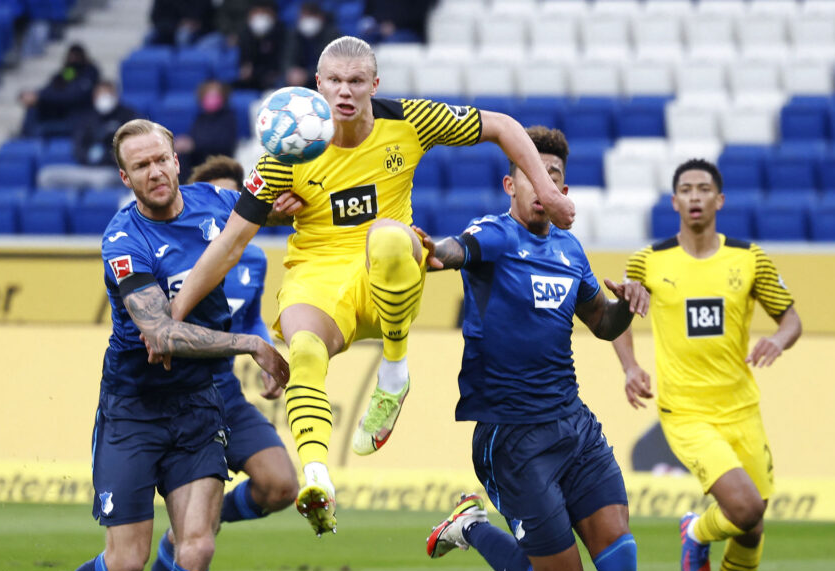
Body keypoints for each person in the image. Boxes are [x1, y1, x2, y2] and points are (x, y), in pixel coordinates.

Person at [161, 35, 575, 539]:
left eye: (356, 81)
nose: (345, 92)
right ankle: (316, 476)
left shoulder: (409, 120)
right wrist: (173, 315)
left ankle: (394, 372)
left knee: (387, 236)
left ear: (374, 85)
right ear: (317, 85)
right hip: (318, 270)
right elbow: (228, 244)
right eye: (334, 81)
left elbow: (504, 127)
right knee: (304, 349)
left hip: (389, 269)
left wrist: (548, 192)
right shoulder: (285, 153)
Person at [0, 119, 289, 571]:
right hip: (133, 410)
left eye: (162, 158)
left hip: (197, 407)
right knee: (126, 558)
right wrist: (249, 346)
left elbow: (268, 206)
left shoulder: (217, 204)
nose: (155, 171)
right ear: (126, 178)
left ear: (177, 160)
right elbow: (160, 333)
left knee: (199, 545)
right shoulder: (123, 240)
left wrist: (288, 191)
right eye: (141, 166)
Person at [422, 126, 679, 571]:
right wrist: (423, 249)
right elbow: (450, 253)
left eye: (555, 177)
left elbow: (602, 321)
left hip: (574, 427)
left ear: (562, 187)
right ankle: (473, 527)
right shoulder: (492, 236)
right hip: (511, 437)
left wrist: (628, 303)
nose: (546, 186)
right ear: (511, 183)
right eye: (533, 174)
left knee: (621, 554)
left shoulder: (570, 250)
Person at [612, 158, 802, 571]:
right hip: (687, 412)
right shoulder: (648, 262)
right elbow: (619, 317)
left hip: (742, 409)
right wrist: (630, 366)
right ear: (674, 203)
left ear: (720, 201)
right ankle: (696, 530)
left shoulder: (750, 259)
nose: (694, 197)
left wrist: (778, 340)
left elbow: (791, 318)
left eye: (704, 189)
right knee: (744, 509)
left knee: (753, 525)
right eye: (685, 190)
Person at [123, 154, 299, 571]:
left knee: (281, 486)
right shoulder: (162, 253)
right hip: (171, 397)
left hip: (223, 387)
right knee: (191, 533)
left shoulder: (255, 260)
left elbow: (248, 326)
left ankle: (198, 521)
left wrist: (266, 354)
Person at [37, 80, 142, 190]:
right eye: (100, 94)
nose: (104, 98)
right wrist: (90, 157)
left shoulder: (128, 116)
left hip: (112, 170)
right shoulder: (87, 118)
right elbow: (78, 148)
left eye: (108, 94)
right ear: (94, 97)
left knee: (102, 180)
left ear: (116, 95)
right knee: (46, 176)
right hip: (86, 168)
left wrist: (107, 157)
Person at [18, 43, 100, 139]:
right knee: (33, 106)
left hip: (79, 116)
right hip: (60, 112)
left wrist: (41, 96)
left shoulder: (90, 73)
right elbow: (55, 85)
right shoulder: (69, 72)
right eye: (71, 57)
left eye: (76, 56)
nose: (73, 60)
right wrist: (35, 95)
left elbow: (73, 96)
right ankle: (25, 139)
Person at [174, 79, 238, 182]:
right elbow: (193, 137)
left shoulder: (228, 117)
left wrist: (194, 145)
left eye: (215, 95)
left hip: (218, 162)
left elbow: (225, 144)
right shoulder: (201, 118)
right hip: (197, 161)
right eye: (208, 95)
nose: (211, 98)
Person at [281, 2, 339, 89]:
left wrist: (307, 76)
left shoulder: (332, 36)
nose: (308, 19)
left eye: (312, 15)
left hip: (324, 85)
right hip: (297, 84)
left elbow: (332, 66)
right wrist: (291, 71)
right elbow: (287, 58)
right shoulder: (294, 35)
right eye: (305, 15)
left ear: (321, 17)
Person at [234, 1, 284, 91]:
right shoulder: (244, 34)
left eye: (264, 12)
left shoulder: (283, 33)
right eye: (257, 12)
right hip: (250, 81)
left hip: (275, 79)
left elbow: (285, 62)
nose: (260, 17)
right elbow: (242, 65)